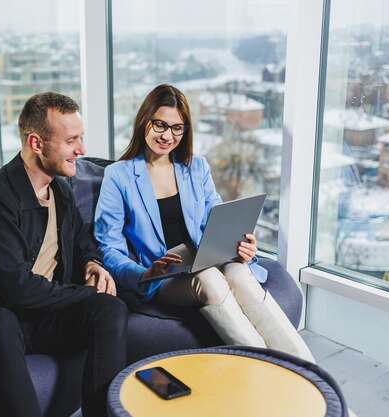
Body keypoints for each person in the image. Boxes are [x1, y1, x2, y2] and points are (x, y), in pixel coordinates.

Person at [0, 92, 128, 417]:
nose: (82, 150)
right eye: (71, 139)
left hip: (36, 319)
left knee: (109, 308)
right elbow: (17, 288)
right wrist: (82, 292)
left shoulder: (59, 187)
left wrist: (93, 263)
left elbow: (81, 240)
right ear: (36, 143)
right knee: (1, 323)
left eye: (81, 138)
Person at [93, 84, 314, 362]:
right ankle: (271, 367)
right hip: (164, 276)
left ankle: (308, 371)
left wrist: (242, 245)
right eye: (160, 125)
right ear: (144, 122)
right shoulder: (118, 176)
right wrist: (144, 273)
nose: (167, 135)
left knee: (239, 276)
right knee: (210, 279)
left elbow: (218, 218)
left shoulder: (196, 167)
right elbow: (108, 248)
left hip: (208, 257)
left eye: (177, 128)